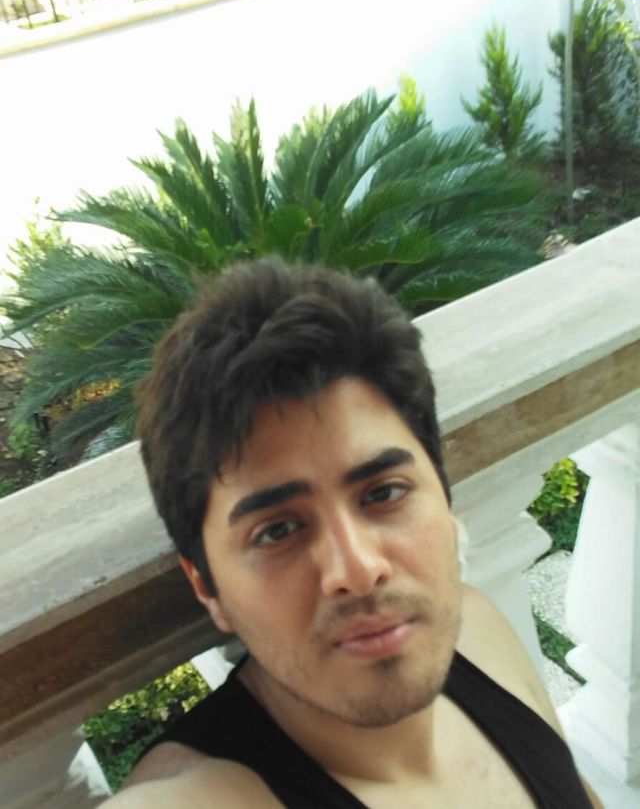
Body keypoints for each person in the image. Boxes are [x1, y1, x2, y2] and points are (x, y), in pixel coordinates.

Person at [103, 257, 601, 808]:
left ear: (442, 495)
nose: (358, 570)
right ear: (207, 586)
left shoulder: (480, 636)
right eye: (277, 530)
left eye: (383, 493)